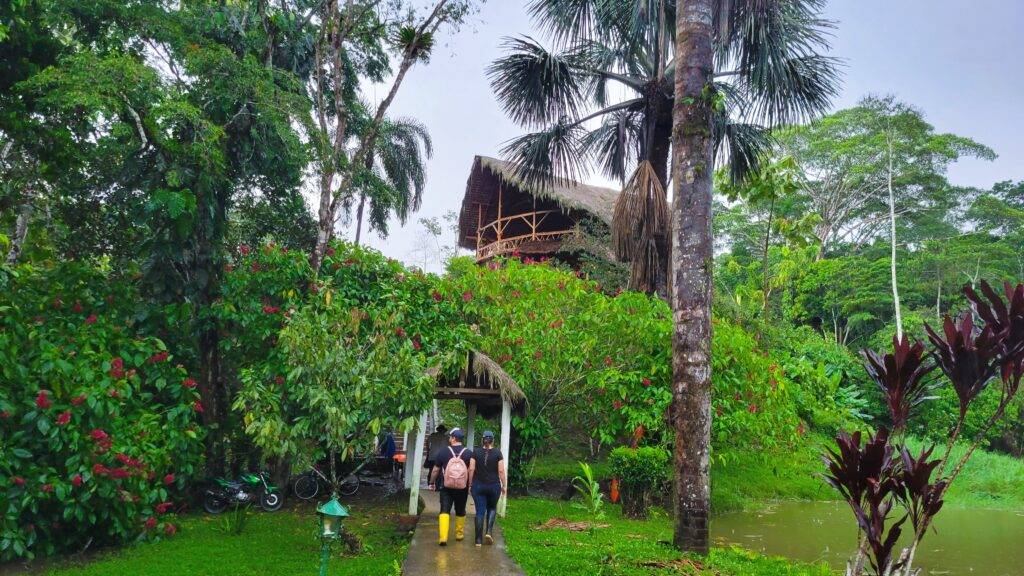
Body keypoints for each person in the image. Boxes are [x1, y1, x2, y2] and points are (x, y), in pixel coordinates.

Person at [428, 427, 472, 546]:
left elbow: (435, 470)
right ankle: (459, 534)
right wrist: (470, 485)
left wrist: (432, 483)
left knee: (444, 510)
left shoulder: (444, 452)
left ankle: (443, 537)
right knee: (460, 509)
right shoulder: (468, 453)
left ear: (453, 439)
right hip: (462, 488)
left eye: (450, 437)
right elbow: (471, 470)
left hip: (446, 486)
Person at [468, 430, 506, 547]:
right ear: (493, 440)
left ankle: (478, 540)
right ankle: (489, 532)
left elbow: (471, 469)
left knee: (480, 511)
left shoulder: (475, 452)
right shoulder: (498, 453)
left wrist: (470, 483)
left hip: (478, 486)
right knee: (492, 508)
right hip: (494, 486)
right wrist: (504, 485)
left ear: (482, 440)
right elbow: (501, 471)